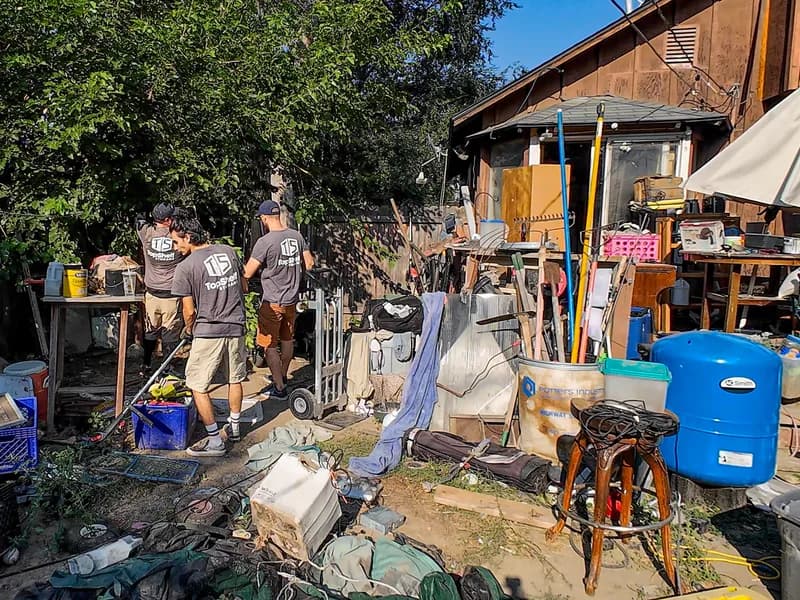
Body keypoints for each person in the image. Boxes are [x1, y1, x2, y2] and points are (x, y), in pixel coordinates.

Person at [170, 215, 247, 457]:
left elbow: (188, 310)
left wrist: (189, 328)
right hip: (236, 326)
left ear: (189, 237)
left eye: (176, 241)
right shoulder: (228, 251)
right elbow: (244, 286)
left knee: (196, 383)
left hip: (208, 330)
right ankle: (234, 427)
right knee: (235, 377)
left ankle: (214, 440)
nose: (175, 247)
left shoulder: (185, 267)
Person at [243, 199, 314, 399]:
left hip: (272, 301)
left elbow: (248, 272)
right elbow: (309, 263)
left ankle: (279, 387)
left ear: (264, 218)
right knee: (287, 340)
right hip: (292, 300)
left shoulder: (265, 242)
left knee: (269, 345)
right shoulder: (296, 236)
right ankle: (282, 376)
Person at [136, 203, 184, 373]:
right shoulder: (178, 236)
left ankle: (147, 364)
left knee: (151, 330)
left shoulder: (145, 233)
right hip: (171, 293)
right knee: (170, 333)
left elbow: (139, 220)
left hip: (151, 293)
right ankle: (167, 367)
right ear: (168, 220)